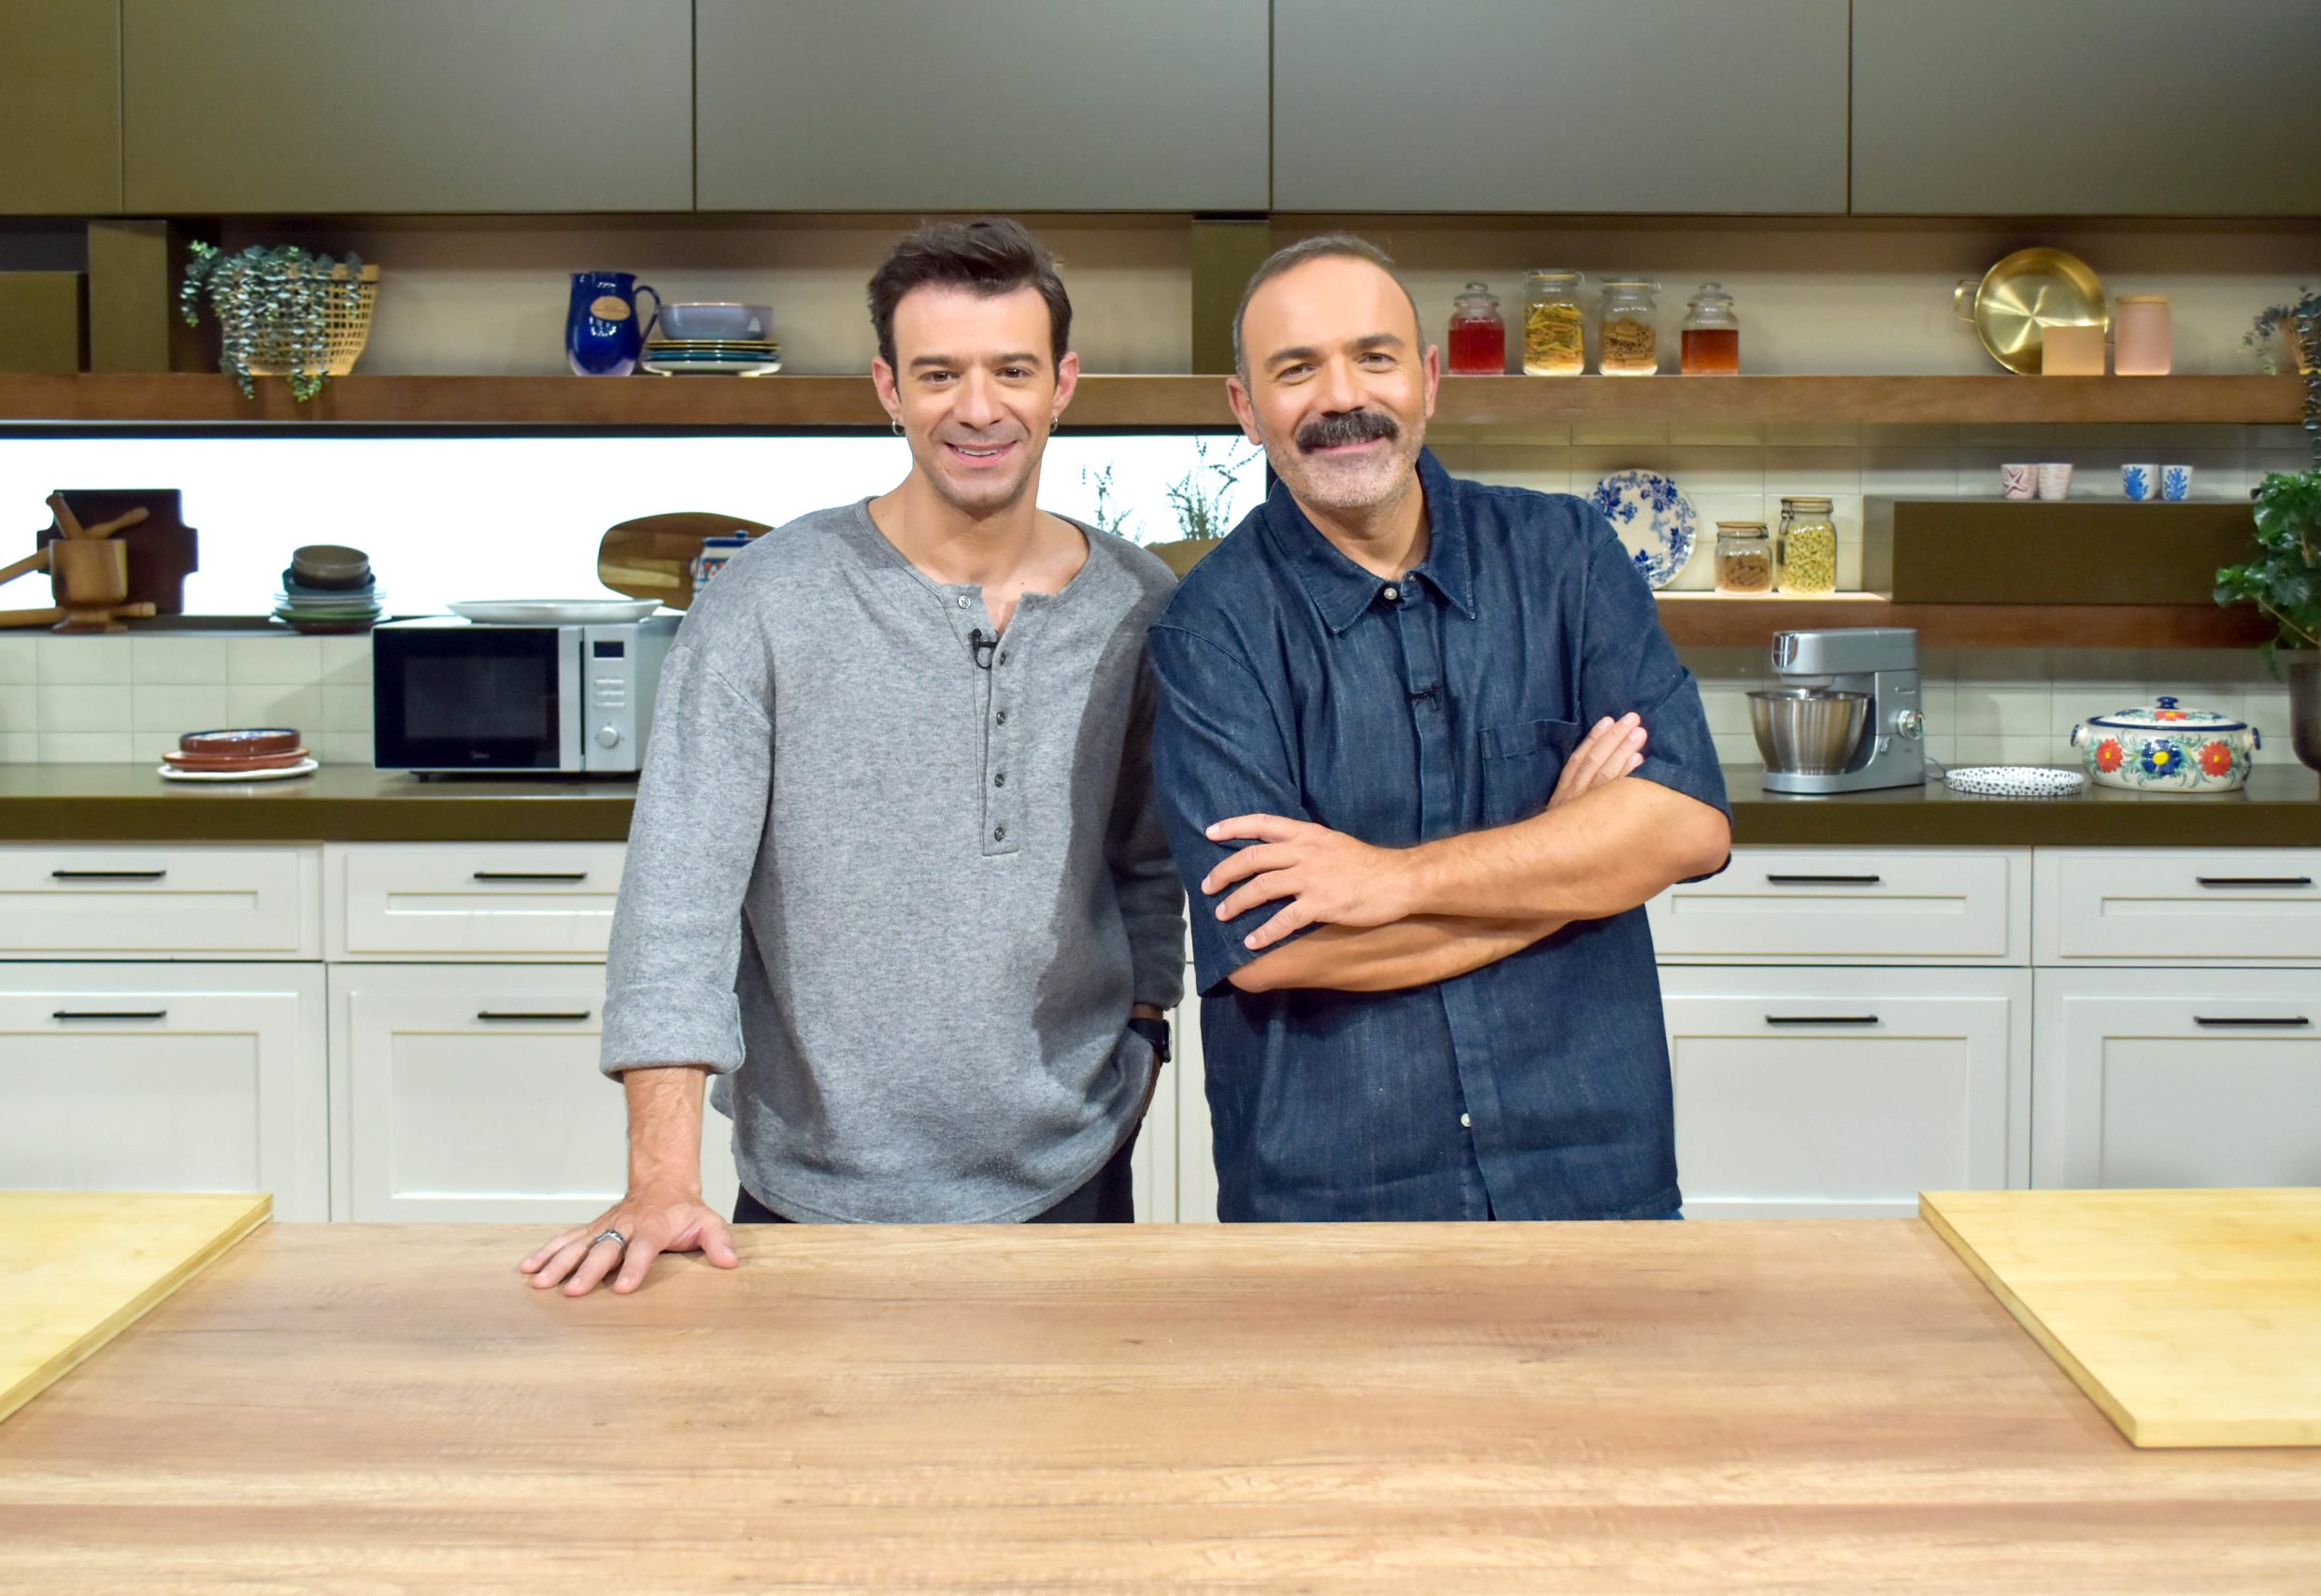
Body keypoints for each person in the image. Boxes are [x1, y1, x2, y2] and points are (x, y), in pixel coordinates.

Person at [524, 219, 1184, 1296]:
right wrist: (660, 1179)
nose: (978, 407)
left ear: (1063, 382)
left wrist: (1145, 1031)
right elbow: (677, 904)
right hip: (810, 1196)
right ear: (888, 387)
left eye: (1012, 370)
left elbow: (1148, 861)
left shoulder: (1139, 604)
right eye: (940, 373)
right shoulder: (765, 602)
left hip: (1074, 1175)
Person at [1147, 235, 1733, 1223]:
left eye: (1373, 357)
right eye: (1296, 369)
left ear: (1428, 378)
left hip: (1595, 1173)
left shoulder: (1568, 556)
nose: (1342, 396)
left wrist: (1392, 880)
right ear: (1245, 407)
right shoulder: (1209, 629)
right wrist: (1572, 868)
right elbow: (1275, 945)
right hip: (1332, 1197)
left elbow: (1684, 826)